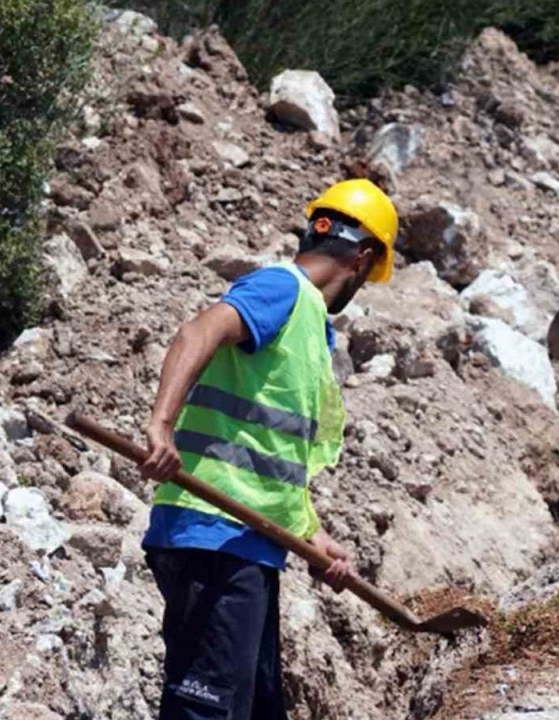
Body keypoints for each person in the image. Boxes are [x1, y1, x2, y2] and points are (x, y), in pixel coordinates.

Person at [136, 179, 399, 719]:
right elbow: (198, 331)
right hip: (212, 535)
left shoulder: (309, 329)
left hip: (246, 544)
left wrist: (314, 537)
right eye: (369, 276)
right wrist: (161, 426)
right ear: (364, 257)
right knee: (205, 711)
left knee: (255, 710)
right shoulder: (282, 289)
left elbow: (267, 457)